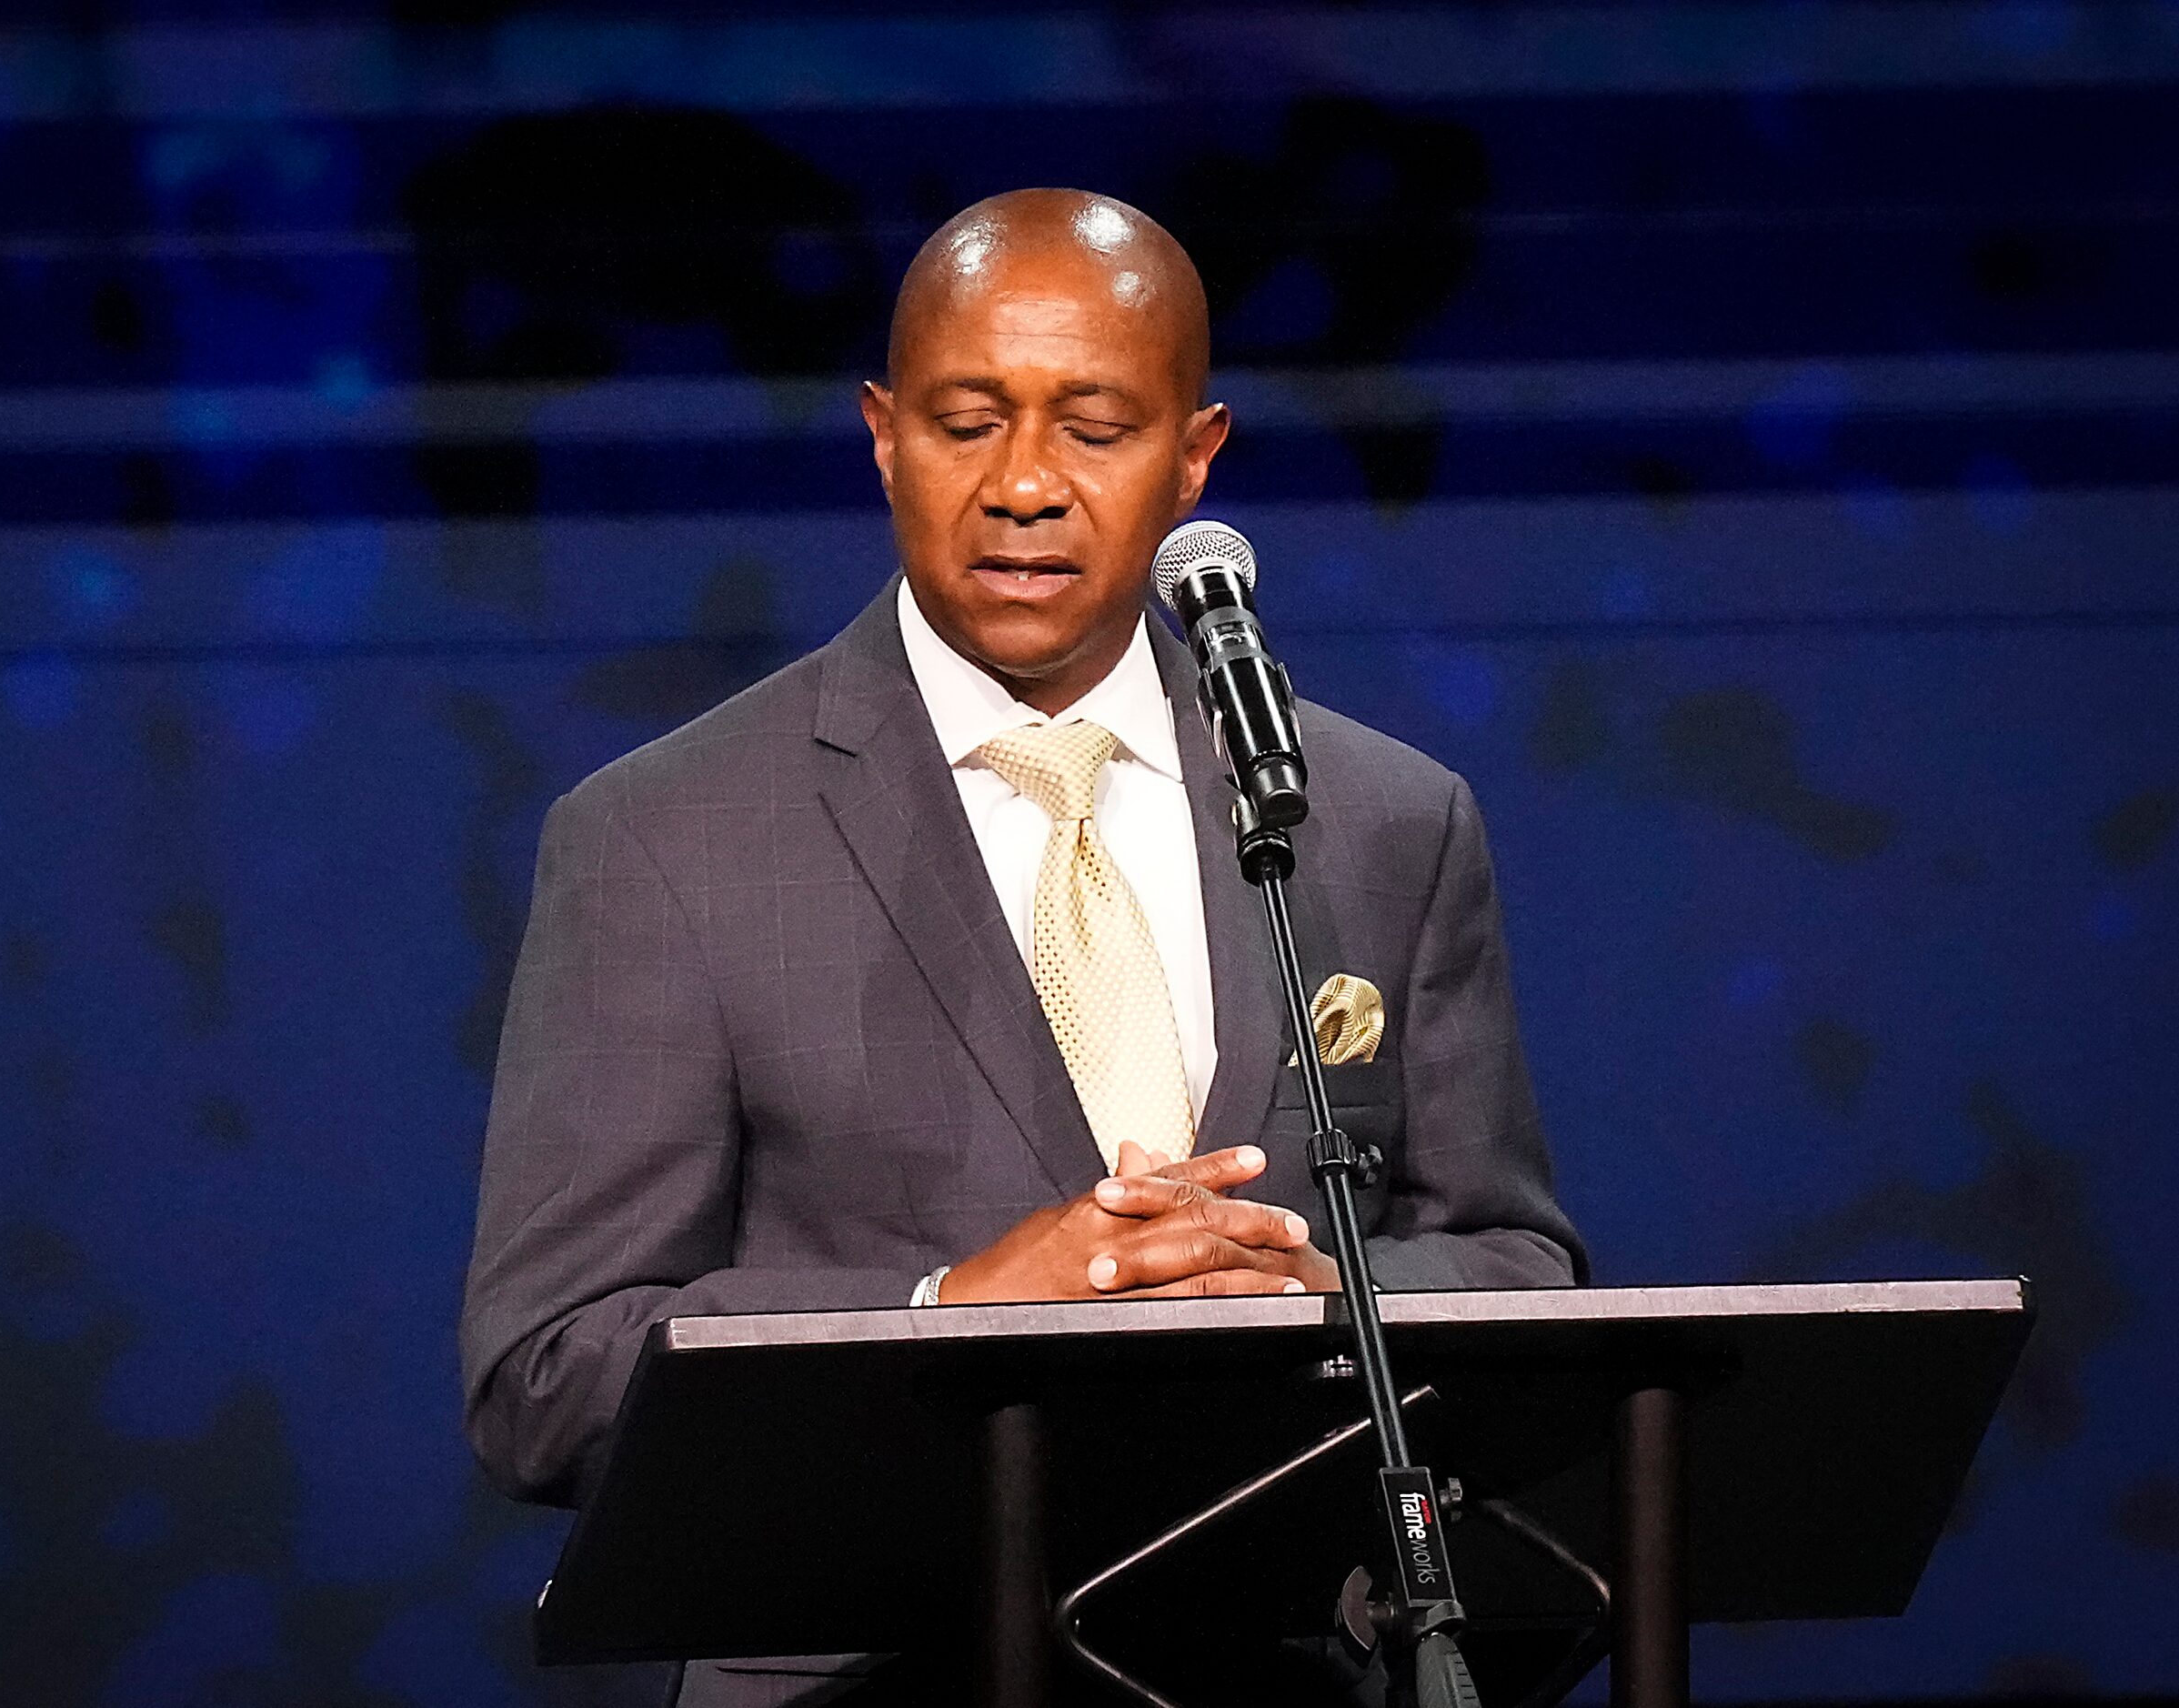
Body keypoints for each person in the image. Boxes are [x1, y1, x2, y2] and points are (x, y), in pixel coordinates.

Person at [461, 188, 1585, 1705]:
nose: (1024, 486)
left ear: (1195, 457)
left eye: (1096, 427)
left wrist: (1305, 1292)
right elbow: (547, 1375)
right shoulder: (665, 837)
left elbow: (1519, 1265)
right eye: (966, 421)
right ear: (881, 434)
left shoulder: (1375, 817)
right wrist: (948, 1312)